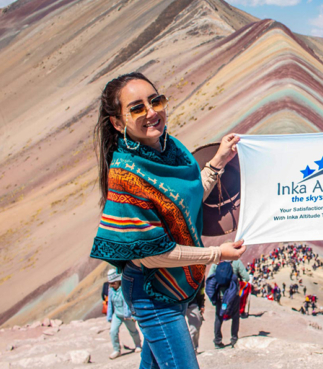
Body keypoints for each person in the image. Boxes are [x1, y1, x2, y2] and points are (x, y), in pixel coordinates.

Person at [89, 72, 246, 369]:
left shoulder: (170, 150)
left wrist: (218, 162)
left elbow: (185, 202)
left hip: (177, 283)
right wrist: (217, 254)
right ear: (118, 123)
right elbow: (152, 255)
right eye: (137, 108)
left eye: (156, 101)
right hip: (153, 292)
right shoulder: (126, 175)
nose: (152, 112)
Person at [209, 259, 251, 349]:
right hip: (233, 295)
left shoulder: (217, 262)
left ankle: (217, 340)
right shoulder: (236, 262)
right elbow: (246, 278)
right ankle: (234, 339)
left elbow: (210, 277)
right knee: (235, 316)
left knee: (218, 317)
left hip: (220, 295)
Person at [106, 269, 142, 360]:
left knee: (133, 331)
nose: (112, 285)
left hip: (127, 315)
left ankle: (138, 345)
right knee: (113, 331)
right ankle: (116, 350)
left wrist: (131, 314)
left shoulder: (124, 289)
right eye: (110, 283)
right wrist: (109, 316)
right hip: (117, 315)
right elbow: (110, 304)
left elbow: (128, 302)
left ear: (118, 281)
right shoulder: (111, 290)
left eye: (113, 283)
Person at [185, 282, 205, 353]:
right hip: (176, 304)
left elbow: (201, 290)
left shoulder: (199, 273)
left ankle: (192, 350)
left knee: (196, 325)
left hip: (192, 303)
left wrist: (201, 304)